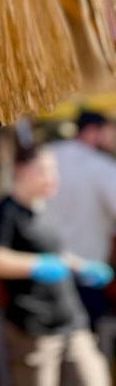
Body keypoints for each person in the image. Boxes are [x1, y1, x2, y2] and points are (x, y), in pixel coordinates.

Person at [0, 142, 111, 385]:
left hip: (72, 321)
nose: (51, 177)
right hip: (34, 327)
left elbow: (57, 255)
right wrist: (36, 265)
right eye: (43, 170)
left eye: (54, 170)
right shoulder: (6, 211)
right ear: (21, 170)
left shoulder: (46, 210)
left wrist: (81, 267)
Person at [47, 110, 116, 328]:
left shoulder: (45, 156)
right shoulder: (101, 166)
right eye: (110, 133)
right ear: (93, 132)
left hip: (45, 270)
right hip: (88, 274)